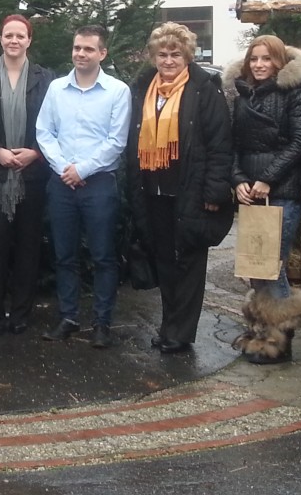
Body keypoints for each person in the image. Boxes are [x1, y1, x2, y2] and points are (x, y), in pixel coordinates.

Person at [127, 23, 234, 355]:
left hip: (190, 190)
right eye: (162, 54)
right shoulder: (144, 87)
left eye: (175, 54)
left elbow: (220, 145)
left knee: (188, 261)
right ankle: (167, 325)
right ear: (154, 56)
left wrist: (215, 194)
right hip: (153, 191)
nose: (169, 60)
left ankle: (181, 332)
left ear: (187, 55)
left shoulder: (205, 89)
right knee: (165, 261)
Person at [36, 25, 131, 349]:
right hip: (62, 183)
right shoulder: (56, 89)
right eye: (77, 48)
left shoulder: (117, 91)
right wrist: (65, 168)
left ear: (102, 53)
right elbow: (44, 132)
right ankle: (68, 317)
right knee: (64, 255)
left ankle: (102, 323)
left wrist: (83, 169)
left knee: (103, 256)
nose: (80, 54)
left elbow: (116, 141)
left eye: (88, 49)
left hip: (99, 184)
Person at [225, 34, 301, 364]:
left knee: (273, 264)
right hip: (250, 192)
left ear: (279, 62)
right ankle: (262, 329)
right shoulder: (242, 95)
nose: (259, 65)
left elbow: (300, 141)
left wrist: (266, 178)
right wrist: (237, 180)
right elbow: (233, 144)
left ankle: (279, 339)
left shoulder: (297, 93)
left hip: (282, 190)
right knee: (255, 264)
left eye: (266, 59)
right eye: (254, 59)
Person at [0, 15, 54, 335]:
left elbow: (53, 122)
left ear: (29, 40)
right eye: (8, 35)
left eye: (20, 35)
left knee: (29, 244)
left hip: (32, 172)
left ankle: (21, 313)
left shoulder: (46, 78)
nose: (14, 41)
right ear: (0, 39)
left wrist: (35, 152)